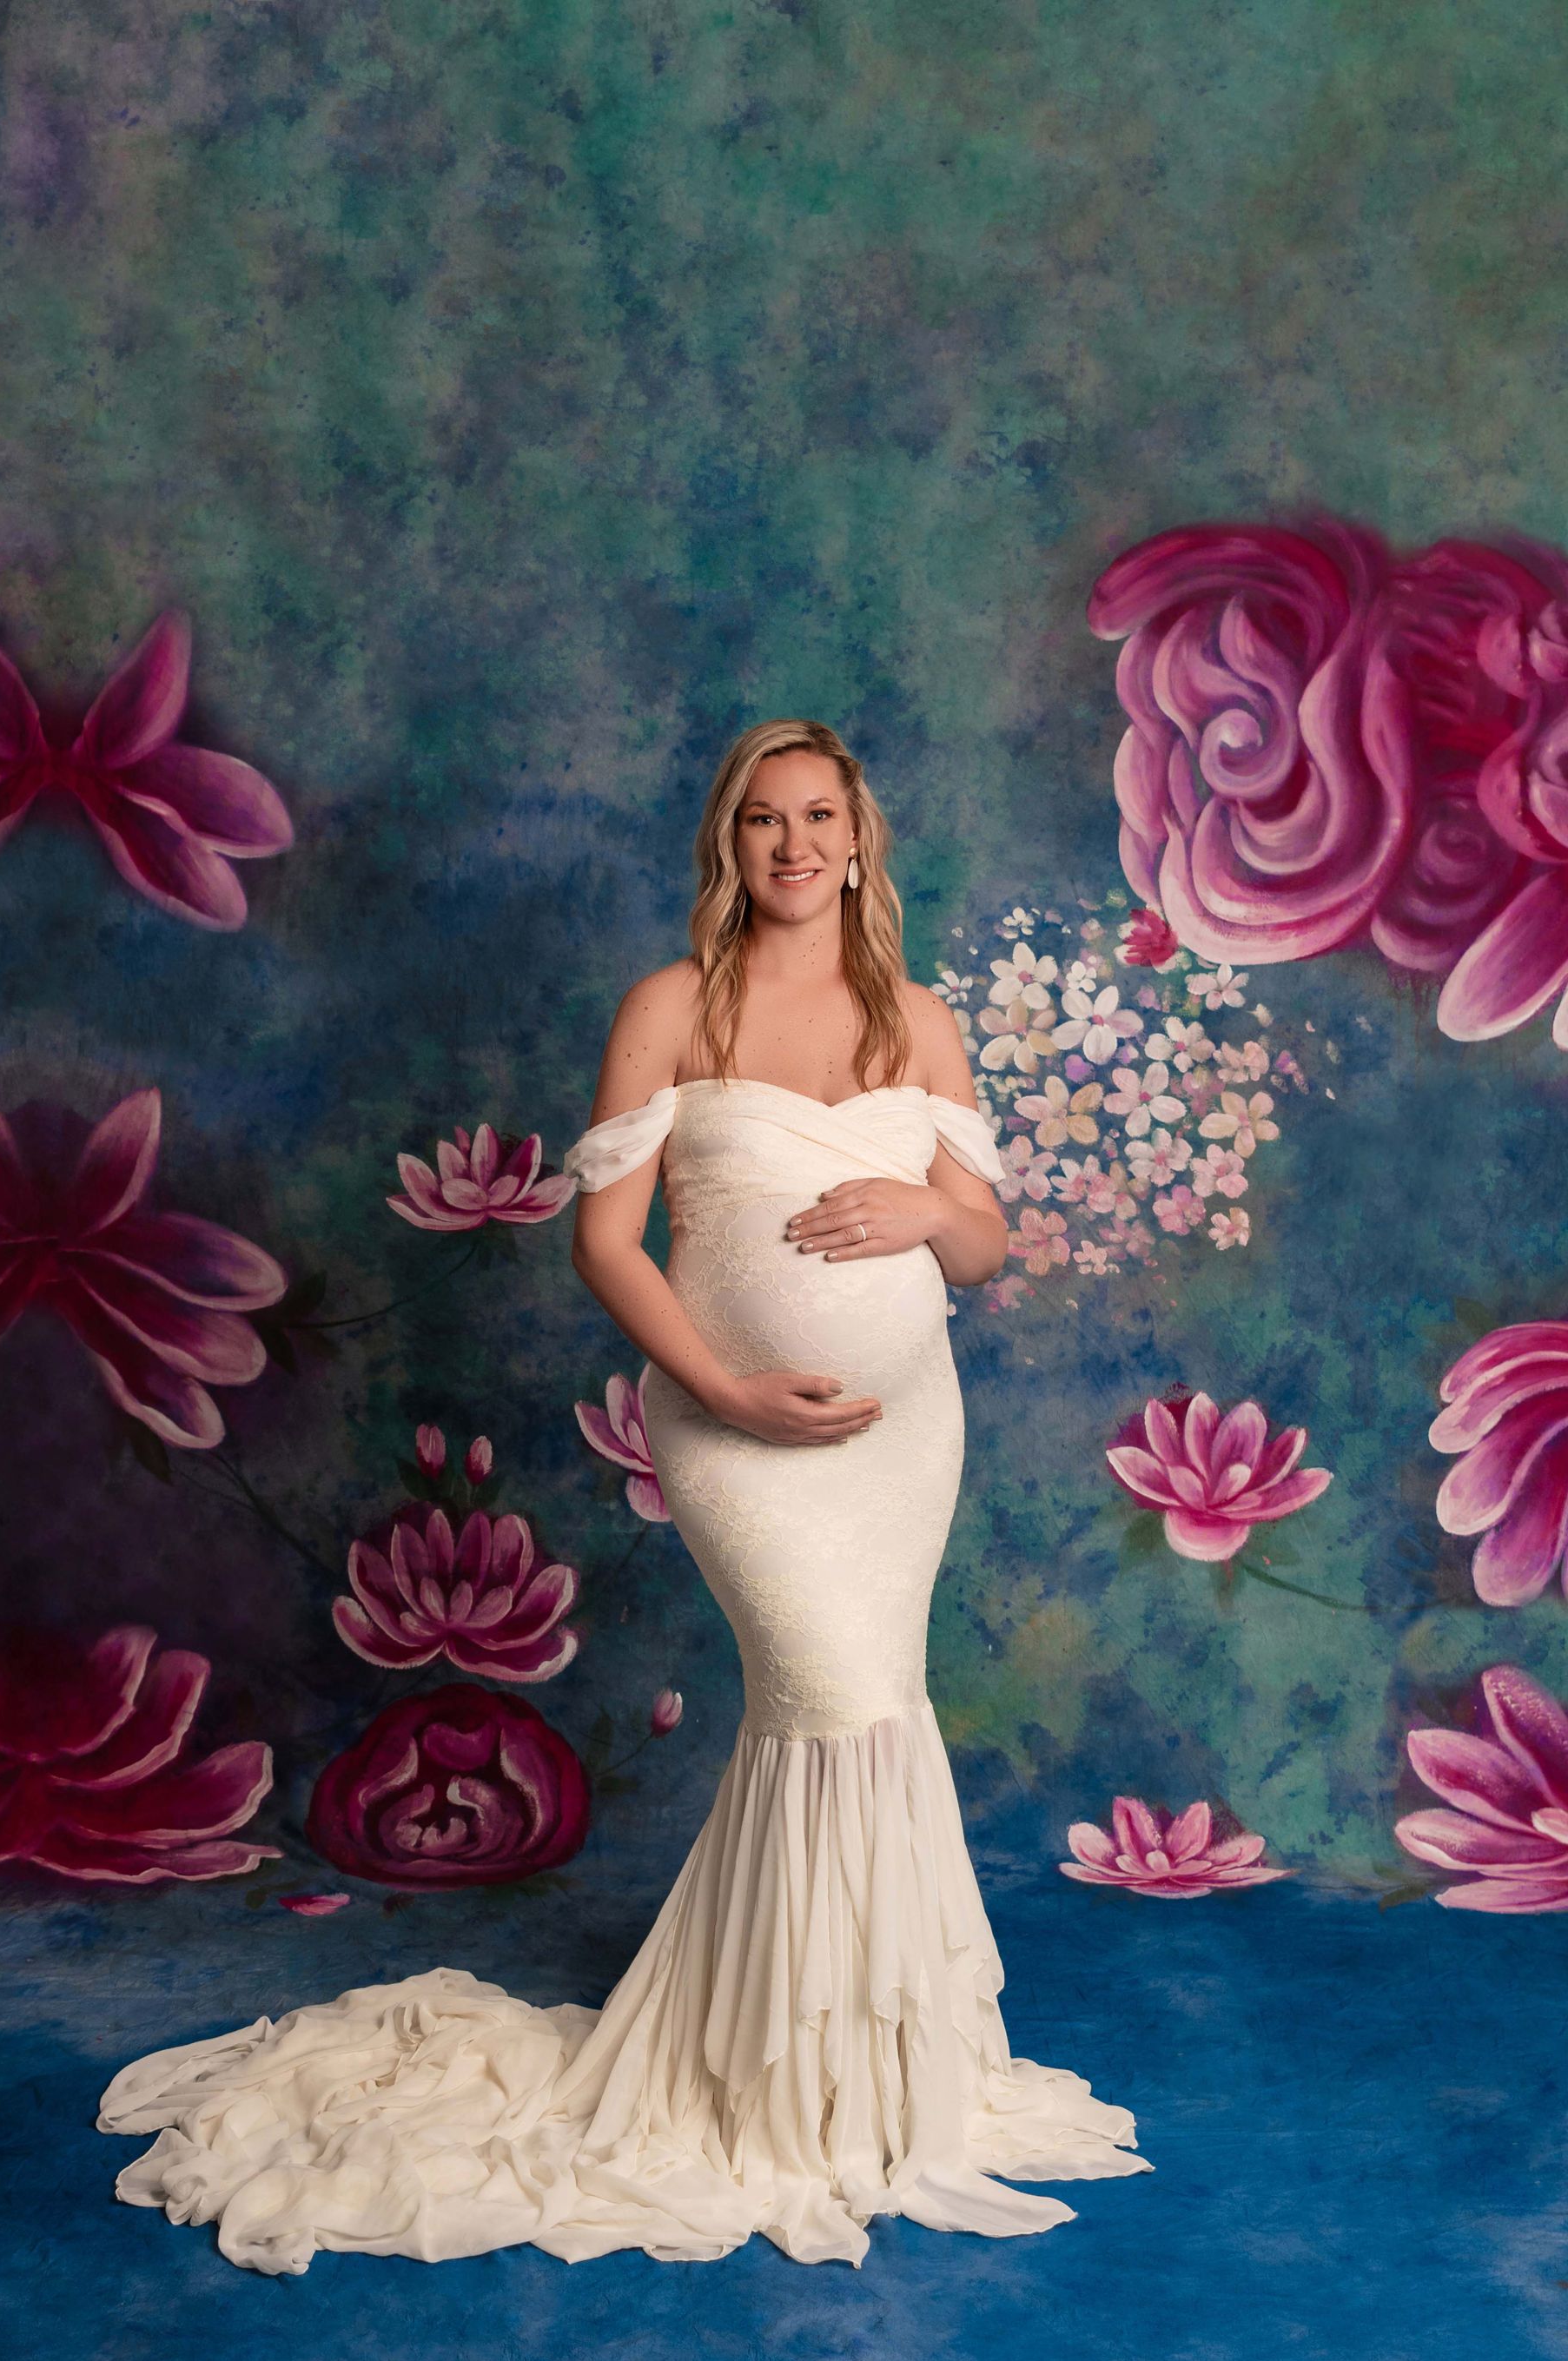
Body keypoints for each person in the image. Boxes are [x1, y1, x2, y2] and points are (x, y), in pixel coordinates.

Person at [95, 718, 1151, 2273]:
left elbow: (984, 1248)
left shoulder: (914, 1020)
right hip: (735, 1430)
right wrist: (722, 1389)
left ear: (861, 844)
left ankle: (864, 2075)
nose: (794, 846)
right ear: (730, 848)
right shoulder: (673, 1006)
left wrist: (934, 1203)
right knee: (828, 1694)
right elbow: (608, 1242)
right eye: (762, 823)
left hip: (904, 1436)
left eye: (819, 820)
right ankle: (781, 2089)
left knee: (873, 1705)